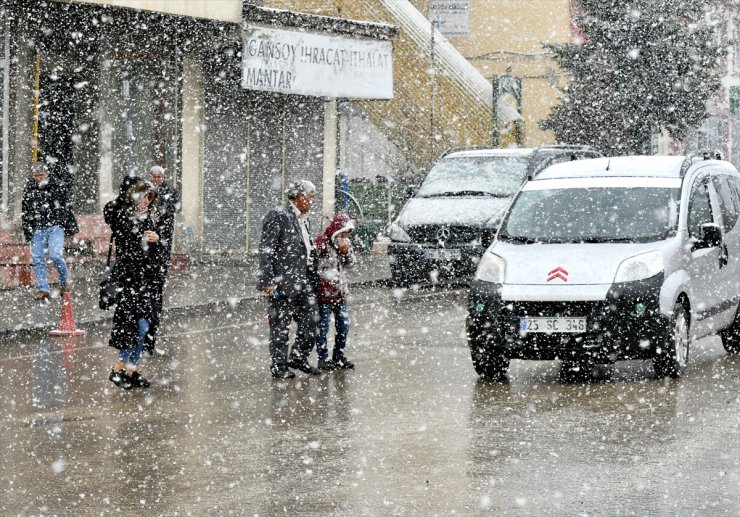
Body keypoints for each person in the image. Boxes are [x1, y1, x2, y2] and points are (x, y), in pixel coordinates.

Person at [257, 180, 321, 379]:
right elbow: (266, 249)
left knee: (312, 320)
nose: (312, 201)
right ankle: (279, 366)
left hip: (304, 279)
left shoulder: (304, 218)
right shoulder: (279, 215)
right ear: (301, 197)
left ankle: (298, 357)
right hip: (282, 281)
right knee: (280, 326)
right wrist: (267, 280)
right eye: (311, 197)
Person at [104, 177, 163, 389]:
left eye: (151, 197)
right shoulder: (121, 216)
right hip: (128, 280)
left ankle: (132, 370)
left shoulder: (149, 219)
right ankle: (118, 370)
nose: (148, 201)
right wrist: (132, 192)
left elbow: (156, 253)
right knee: (131, 327)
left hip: (146, 281)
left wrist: (158, 240)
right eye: (146, 196)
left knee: (144, 327)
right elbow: (110, 208)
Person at [21, 161, 79, 300]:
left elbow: (66, 206)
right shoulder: (30, 188)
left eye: (41, 174)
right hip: (37, 228)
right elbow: (25, 210)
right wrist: (28, 229)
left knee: (56, 255)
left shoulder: (57, 185)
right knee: (38, 258)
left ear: (47, 173)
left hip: (55, 226)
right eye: (36, 175)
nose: (38, 177)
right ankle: (43, 289)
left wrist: (67, 225)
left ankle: (65, 281)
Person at [145, 165, 181, 355]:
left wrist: (160, 234)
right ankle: (144, 339)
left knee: (155, 293)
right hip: (146, 250)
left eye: (159, 176)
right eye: (154, 176)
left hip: (161, 245)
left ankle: (149, 340)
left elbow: (172, 213)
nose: (157, 178)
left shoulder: (170, 192)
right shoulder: (146, 192)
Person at [315, 212, 357, 371]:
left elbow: (352, 263)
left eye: (348, 232)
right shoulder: (322, 243)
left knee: (343, 327)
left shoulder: (345, 243)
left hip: (340, 294)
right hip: (323, 295)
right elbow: (312, 264)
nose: (346, 235)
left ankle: (338, 357)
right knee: (323, 328)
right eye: (344, 232)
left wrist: (345, 251)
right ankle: (323, 358)